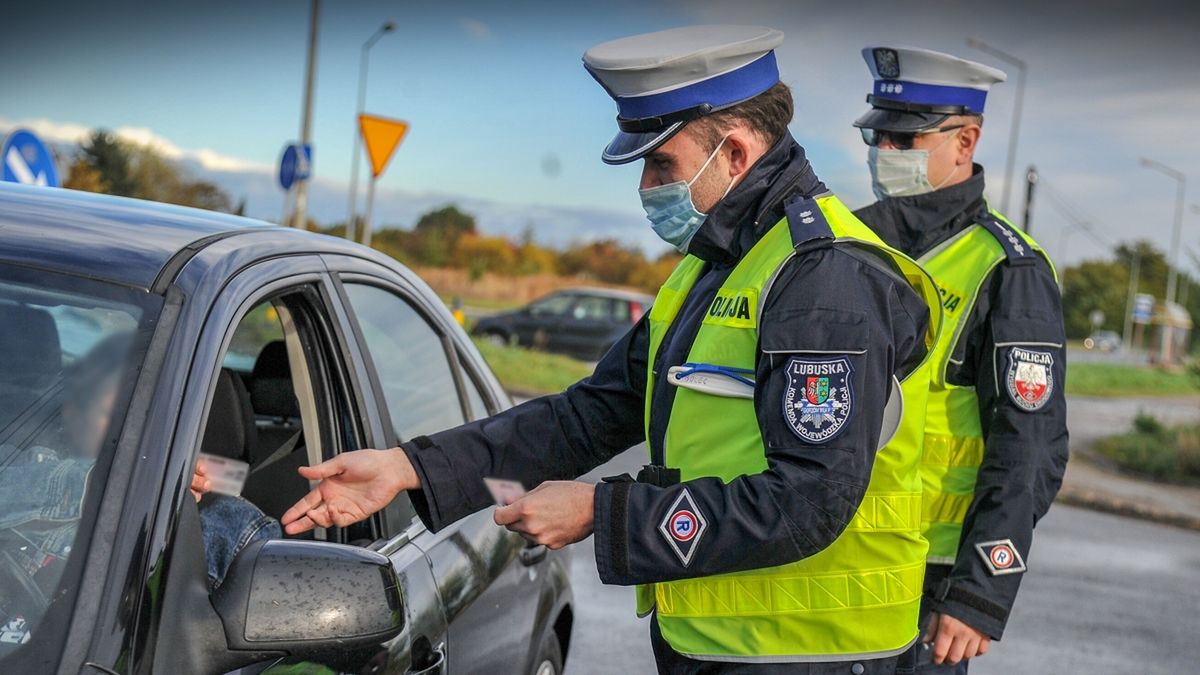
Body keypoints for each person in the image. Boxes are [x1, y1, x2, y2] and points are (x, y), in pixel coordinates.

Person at [283, 26, 943, 674]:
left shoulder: (823, 278)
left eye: (663, 164)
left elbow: (808, 500)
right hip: (723, 645)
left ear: (736, 154)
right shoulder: (711, 268)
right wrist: (407, 468)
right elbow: (586, 416)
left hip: (814, 653)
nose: (647, 187)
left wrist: (603, 511)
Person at [850, 47, 1069, 672]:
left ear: (964, 140)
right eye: (876, 136)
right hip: (827, 556)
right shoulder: (845, 242)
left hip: (927, 582)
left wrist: (979, 593)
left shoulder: (1008, 269)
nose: (884, 152)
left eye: (903, 136)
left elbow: (1029, 444)